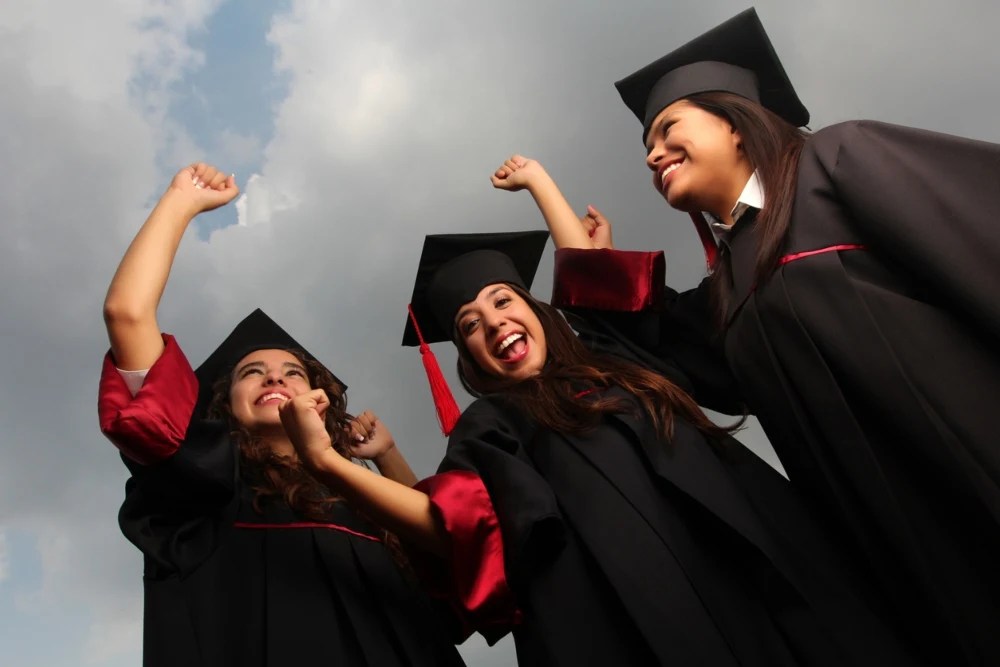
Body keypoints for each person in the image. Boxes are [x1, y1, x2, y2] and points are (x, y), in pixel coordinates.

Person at [535, 8, 1000, 665]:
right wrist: (591, 255)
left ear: (732, 120)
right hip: (904, 545)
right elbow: (660, 338)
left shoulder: (838, 162)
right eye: (647, 147)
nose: (651, 154)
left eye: (667, 128)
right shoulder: (729, 288)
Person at [278, 230, 920, 667]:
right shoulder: (492, 425)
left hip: (756, 568)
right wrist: (328, 462)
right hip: (636, 615)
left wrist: (542, 189)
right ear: (467, 357)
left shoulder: (622, 364)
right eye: (470, 325)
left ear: (536, 310)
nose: (493, 321)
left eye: (503, 301)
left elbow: (630, 303)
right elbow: (455, 524)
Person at [99, 163, 464, 667]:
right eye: (252, 372)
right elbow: (127, 315)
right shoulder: (205, 490)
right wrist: (181, 202)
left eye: (294, 372)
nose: (275, 378)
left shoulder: (361, 504)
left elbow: (449, 552)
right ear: (222, 407)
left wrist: (387, 456)